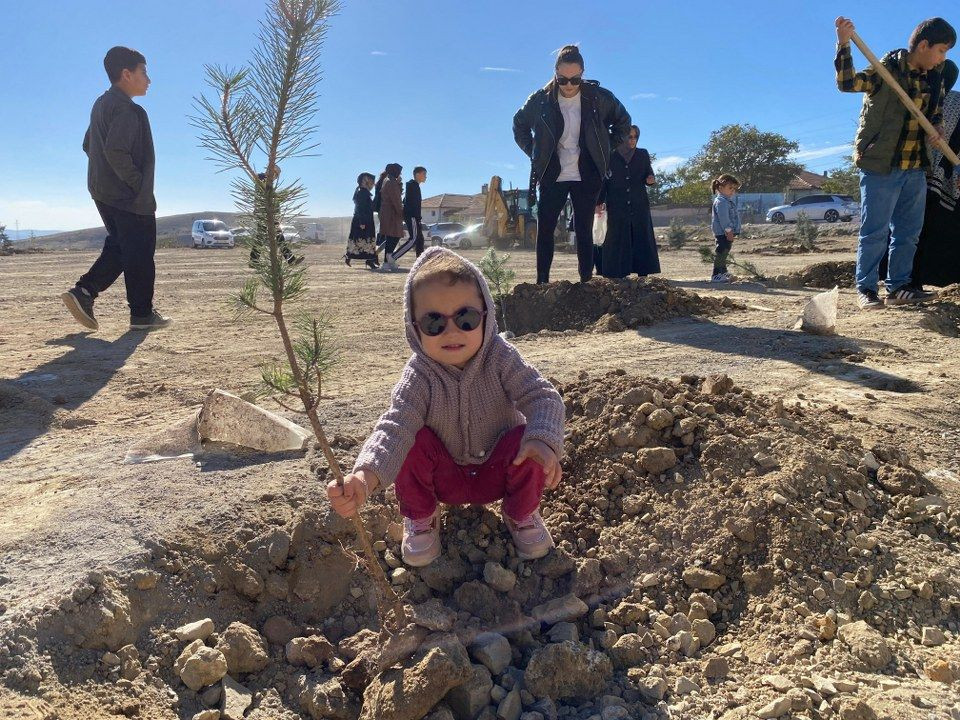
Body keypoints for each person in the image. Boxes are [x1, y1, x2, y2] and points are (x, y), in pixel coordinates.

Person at [326, 247, 565, 567]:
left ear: (486, 316)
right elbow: (395, 427)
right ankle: (422, 517)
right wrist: (364, 478)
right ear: (414, 327)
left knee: (527, 439)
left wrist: (542, 439)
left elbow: (543, 397)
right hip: (444, 479)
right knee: (413, 440)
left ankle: (520, 513)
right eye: (434, 322)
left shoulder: (500, 356)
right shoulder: (419, 374)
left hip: (497, 471)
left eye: (465, 318)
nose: (452, 331)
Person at [835, 16, 955, 310]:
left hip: (916, 165)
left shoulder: (934, 77)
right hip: (881, 164)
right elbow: (847, 83)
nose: (943, 57)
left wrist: (937, 128)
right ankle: (866, 289)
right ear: (924, 45)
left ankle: (899, 287)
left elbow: (935, 113)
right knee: (874, 232)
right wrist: (843, 43)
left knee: (908, 233)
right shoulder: (883, 70)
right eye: (941, 50)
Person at [61, 46, 171, 331]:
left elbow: (89, 145)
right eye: (144, 72)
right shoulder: (129, 110)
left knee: (122, 247)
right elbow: (116, 150)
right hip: (129, 196)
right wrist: (138, 184)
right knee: (140, 252)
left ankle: (83, 293)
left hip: (102, 192)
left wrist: (106, 175)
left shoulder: (101, 104)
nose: (148, 79)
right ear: (126, 74)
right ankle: (142, 315)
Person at [513, 44, 631, 283]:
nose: (568, 86)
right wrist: (535, 152)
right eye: (562, 79)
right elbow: (519, 124)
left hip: (586, 173)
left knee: (584, 230)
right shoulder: (540, 100)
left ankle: (585, 282)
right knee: (545, 230)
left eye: (574, 80)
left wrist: (604, 149)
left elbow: (624, 122)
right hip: (551, 172)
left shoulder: (599, 98)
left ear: (583, 73)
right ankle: (541, 283)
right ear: (555, 73)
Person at [880, 59, 960, 288]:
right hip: (942, 179)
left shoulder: (919, 100)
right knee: (924, 231)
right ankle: (911, 282)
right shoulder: (926, 101)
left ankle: (896, 278)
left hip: (912, 174)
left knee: (903, 229)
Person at [597, 125, 659, 279]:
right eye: (629, 137)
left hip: (639, 204)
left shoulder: (642, 154)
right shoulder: (610, 157)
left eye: (635, 137)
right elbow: (604, 181)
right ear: (622, 138)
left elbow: (649, 174)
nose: (633, 140)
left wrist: (650, 180)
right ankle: (617, 271)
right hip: (617, 204)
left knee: (640, 235)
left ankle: (642, 271)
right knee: (618, 237)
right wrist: (599, 201)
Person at [710, 174, 741, 283]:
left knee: (725, 252)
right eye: (730, 188)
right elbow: (724, 218)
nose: (733, 191)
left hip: (727, 232)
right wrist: (729, 231)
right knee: (721, 251)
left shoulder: (727, 201)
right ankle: (716, 274)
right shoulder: (721, 202)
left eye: (734, 189)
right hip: (723, 232)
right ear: (720, 188)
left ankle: (723, 272)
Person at [345, 172, 379, 270]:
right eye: (366, 179)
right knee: (361, 239)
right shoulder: (361, 191)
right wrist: (362, 222)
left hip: (365, 219)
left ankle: (352, 257)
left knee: (363, 239)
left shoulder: (363, 191)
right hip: (363, 220)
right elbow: (359, 208)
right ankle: (369, 260)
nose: (368, 181)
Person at [379, 163, 405, 272]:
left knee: (391, 237)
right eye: (399, 171)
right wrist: (401, 213)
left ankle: (387, 261)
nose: (400, 173)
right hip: (392, 213)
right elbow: (396, 200)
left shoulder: (388, 180)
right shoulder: (391, 182)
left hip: (388, 212)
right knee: (394, 236)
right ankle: (389, 260)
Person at [404, 166, 427, 259]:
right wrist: (414, 216)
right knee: (414, 239)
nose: (426, 177)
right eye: (424, 174)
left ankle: (420, 261)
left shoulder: (415, 186)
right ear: (417, 175)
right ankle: (393, 256)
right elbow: (408, 203)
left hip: (416, 217)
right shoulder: (412, 185)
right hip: (412, 217)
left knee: (420, 240)